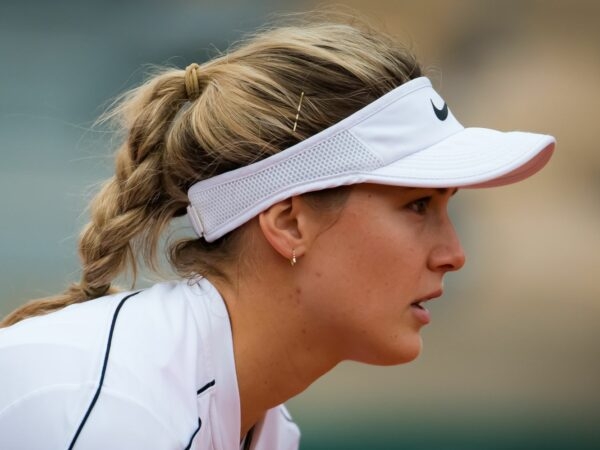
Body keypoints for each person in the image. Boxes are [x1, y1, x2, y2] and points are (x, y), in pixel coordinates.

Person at [0, 17, 555, 450]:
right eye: (417, 205)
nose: (454, 255)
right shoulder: (118, 414)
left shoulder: (257, 421)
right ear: (289, 222)